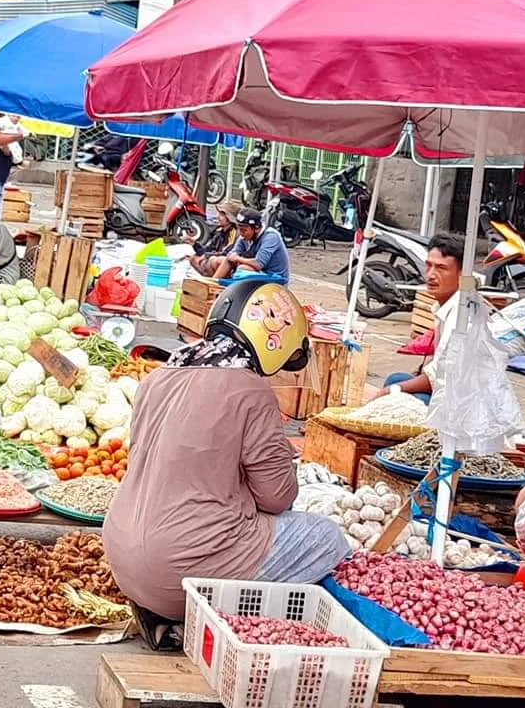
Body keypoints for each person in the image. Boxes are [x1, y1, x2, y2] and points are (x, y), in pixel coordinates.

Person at [102, 281, 349, 649]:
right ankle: (207, 619)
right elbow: (278, 498)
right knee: (327, 537)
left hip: (123, 556)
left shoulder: (158, 377)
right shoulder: (251, 391)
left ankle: (162, 614)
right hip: (180, 565)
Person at [377, 233, 462, 405]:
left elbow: (441, 377)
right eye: (429, 266)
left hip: (458, 401)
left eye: (441, 268)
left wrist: (393, 390)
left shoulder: (461, 317)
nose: (431, 275)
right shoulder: (443, 307)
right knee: (395, 379)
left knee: (402, 398)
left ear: (461, 274)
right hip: (441, 386)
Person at [209, 207, 291, 283]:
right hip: (258, 272)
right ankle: (212, 285)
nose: (241, 234)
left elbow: (258, 264)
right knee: (217, 261)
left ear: (256, 228)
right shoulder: (244, 236)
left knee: (243, 269)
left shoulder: (271, 236)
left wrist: (237, 258)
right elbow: (232, 254)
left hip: (275, 278)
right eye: (240, 230)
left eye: (244, 230)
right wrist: (234, 257)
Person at [187, 200, 239, 277]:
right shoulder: (219, 232)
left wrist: (207, 256)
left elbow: (227, 252)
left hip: (223, 261)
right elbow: (209, 248)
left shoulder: (233, 232)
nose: (218, 217)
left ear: (229, 218)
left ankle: (212, 279)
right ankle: (207, 277)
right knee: (193, 259)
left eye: (221, 215)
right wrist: (195, 244)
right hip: (213, 257)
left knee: (211, 261)